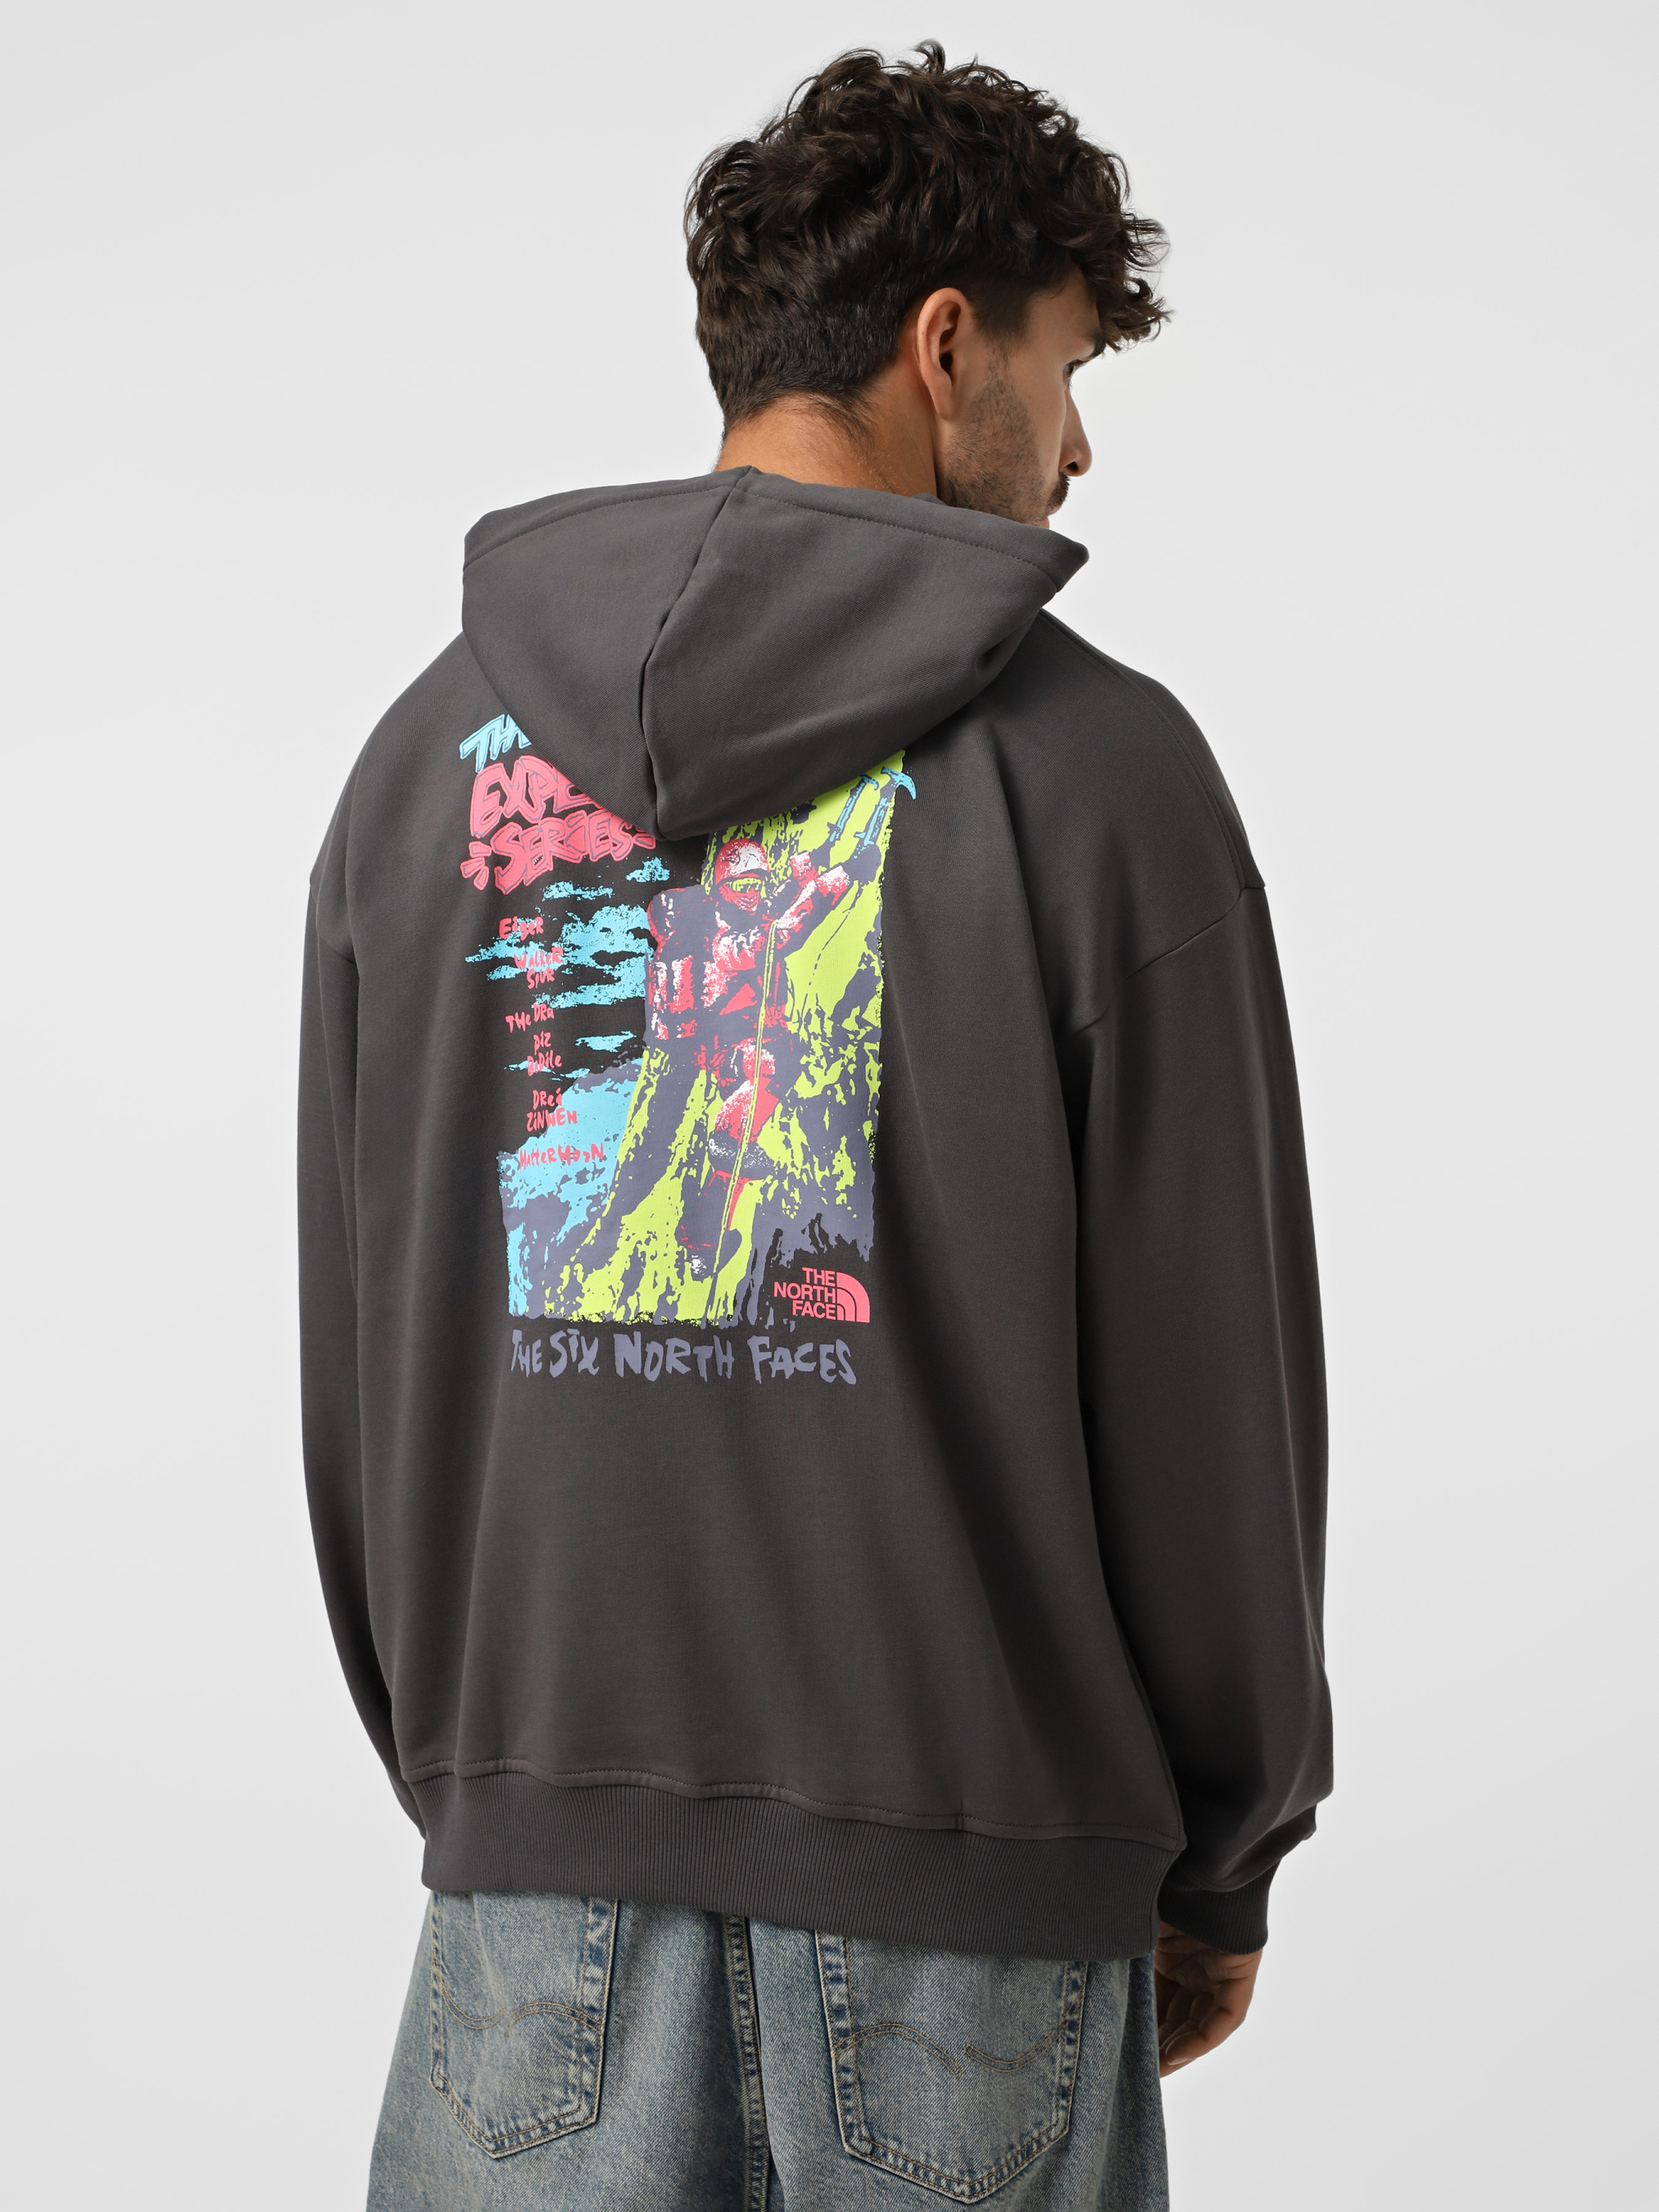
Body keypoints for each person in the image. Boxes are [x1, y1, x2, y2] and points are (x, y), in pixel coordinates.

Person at [299, 43, 1330, 2210]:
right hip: (978, 1889)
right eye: (1062, 368)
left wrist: (492, 1784)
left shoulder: (417, 768)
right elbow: (1204, 1384)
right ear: (944, 347)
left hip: (528, 1905)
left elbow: (364, 1354)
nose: (1077, 446)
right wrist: (1222, 1846)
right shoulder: (1103, 779)